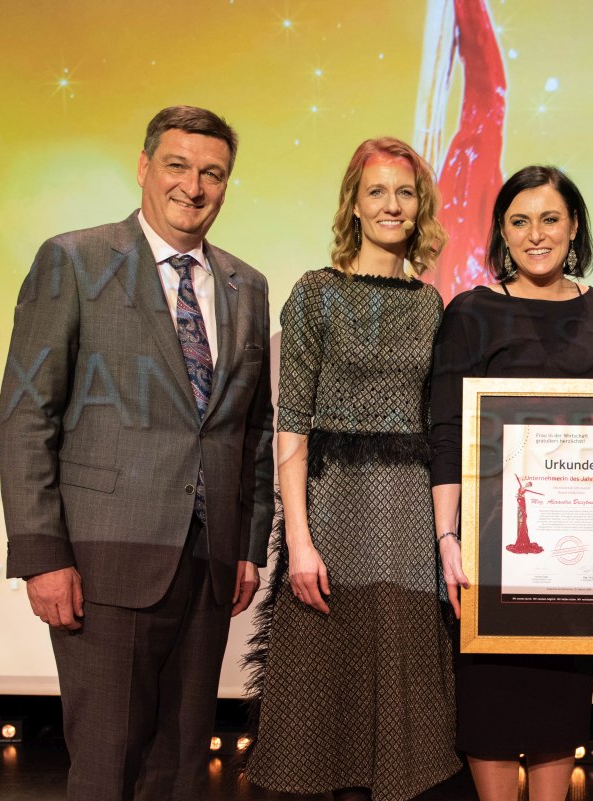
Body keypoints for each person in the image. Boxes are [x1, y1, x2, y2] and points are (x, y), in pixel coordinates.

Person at [0, 105, 274, 800]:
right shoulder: (75, 260)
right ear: (145, 167)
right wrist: (42, 553)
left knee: (181, 770)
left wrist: (248, 543)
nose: (194, 187)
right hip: (103, 560)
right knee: (106, 765)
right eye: (178, 166)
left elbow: (253, 429)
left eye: (213, 173)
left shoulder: (246, 284)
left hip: (208, 563)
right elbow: (27, 412)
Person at [241, 138, 460, 800]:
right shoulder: (316, 294)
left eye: (405, 192)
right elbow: (291, 423)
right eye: (377, 192)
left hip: (407, 522)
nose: (392, 205)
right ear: (354, 205)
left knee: (403, 705)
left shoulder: (430, 305)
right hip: (332, 514)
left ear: (420, 206)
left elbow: (438, 422)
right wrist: (298, 540)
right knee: (327, 698)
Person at [430, 165, 593, 801]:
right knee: (488, 714)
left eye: (550, 219)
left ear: (574, 227)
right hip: (493, 552)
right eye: (519, 221)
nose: (536, 234)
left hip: (580, 555)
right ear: (502, 231)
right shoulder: (471, 311)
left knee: (559, 711)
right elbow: (446, 430)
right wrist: (447, 537)